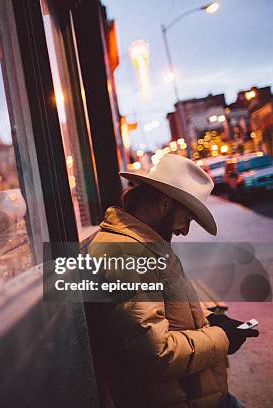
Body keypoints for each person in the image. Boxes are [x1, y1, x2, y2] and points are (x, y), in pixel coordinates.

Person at [85, 154, 258, 408]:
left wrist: (209, 319)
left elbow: (168, 307)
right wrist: (223, 338)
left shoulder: (148, 243)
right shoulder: (124, 251)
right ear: (164, 204)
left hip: (194, 395)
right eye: (186, 218)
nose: (185, 231)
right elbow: (155, 353)